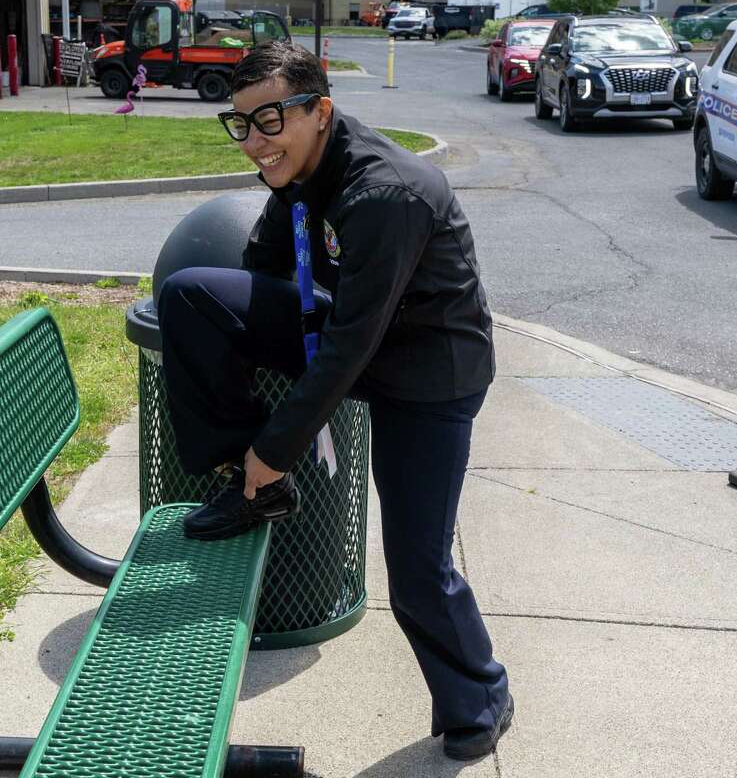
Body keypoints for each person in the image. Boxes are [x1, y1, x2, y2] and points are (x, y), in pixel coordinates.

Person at [155, 40, 513, 760]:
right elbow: (266, 263)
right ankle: (247, 486)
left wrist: (275, 449)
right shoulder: (299, 164)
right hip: (360, 332)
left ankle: (482, 694)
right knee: (192, 296)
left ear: (320, 110)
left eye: (270, 120)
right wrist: (244, 344)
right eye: (241, 124)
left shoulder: (385, 195)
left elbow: (349, 352)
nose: (255, 142)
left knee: (416, 569)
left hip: (429, 377)